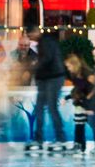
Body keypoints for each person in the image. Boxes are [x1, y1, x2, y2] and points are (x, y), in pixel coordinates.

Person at [26, 25, 68, 155]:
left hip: (54, 78)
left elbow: (47, 59)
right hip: (45, 78)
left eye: (31, 36)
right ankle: (39, 138)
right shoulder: (42, 42)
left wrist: (33, 67)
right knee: (39, 108)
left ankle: (61, 138)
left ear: (36, 32)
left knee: (51, 107)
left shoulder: (47, 41)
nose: (31, 39)